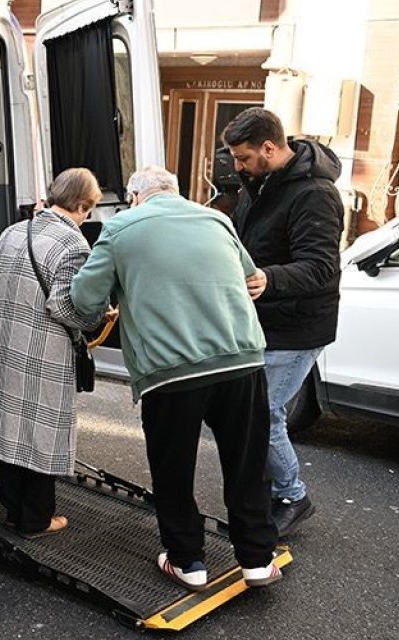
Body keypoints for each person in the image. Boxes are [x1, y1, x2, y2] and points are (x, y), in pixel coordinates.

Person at [70, 166, 281, 590]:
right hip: (241, 360)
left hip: (172, 371)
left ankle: (188, 562)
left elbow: (83, 299)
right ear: (176, 192)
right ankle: (257, 560)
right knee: (246, 463)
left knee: (174, 469)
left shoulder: (121, 228)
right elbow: (250, 278)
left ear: (134, 197)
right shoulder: (216, 219)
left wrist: (116, 301)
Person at [222, 107, 344, 537]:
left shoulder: (314, 194)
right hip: (265, 318)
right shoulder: (261, 182)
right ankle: (266, 498)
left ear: (270, 148)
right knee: (250, 412)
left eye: (243, 158)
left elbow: (321, 266)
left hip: (297, 325)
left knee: (264, 413)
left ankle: (293, 495)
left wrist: (267, 279)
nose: (237, 166)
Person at [0, 167, 110, 539]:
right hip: (43, 352)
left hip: (3, 346)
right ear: (81, 205)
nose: (87, 218)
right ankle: (36, 519)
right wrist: (100, 312)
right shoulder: (73, 245)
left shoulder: (14, 231)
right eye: (90, 210)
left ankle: (13, 510)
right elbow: (66, 309)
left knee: (9, 426)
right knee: (39, 431)